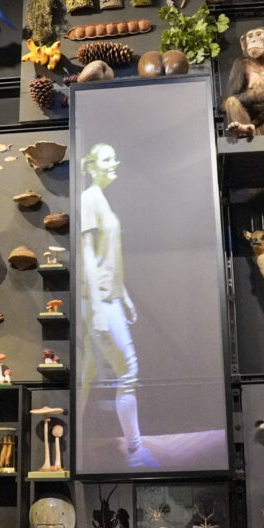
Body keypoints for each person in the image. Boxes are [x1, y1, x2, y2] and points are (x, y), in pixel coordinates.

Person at [78, 142, 159, 469]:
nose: (115, 163)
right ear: (92, 166)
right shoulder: (88, 198)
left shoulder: (101, 198)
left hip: (109, 297)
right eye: (108, 159)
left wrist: (123, 295)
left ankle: (73, 442)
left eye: (115, 157)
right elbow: (86, 255)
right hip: (99, 301)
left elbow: (107, 258)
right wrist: (99, 308)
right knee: (128, 372)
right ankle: (136, 452)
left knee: (86, 375)